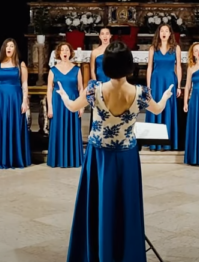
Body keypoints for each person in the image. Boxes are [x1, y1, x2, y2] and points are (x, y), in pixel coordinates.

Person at [56, 41, 173, 262]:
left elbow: (72, 106)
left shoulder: (94, 89)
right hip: (127, 156)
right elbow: (158, 109)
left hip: (99, 156)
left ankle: (98, 252)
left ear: (106, 65)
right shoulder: (141, 93)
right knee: (125, 205)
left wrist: (63, 95)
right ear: (129, 65)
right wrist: (166, 96)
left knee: (98, 204)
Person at [0, 39, 31, 168]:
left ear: (15, 49)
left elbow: (24, 84)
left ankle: (15, 158)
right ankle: (0, 158)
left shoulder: (20, 65)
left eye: (11, 46)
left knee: (15, 127)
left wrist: (24, 102)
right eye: (7, 46)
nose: (9, 48)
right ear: (3, 48)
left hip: (15, 100)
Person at [46, 42, 84, 167]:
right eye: (62, 50)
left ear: (70, 53)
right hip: (58, 103)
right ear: (59, 53)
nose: (65, 52)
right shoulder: (53, 70)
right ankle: (58, 159)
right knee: (58, 129)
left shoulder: (77, 69)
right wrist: (50, 107)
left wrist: (81, 106)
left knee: (72, 129)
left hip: (73, 101)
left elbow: (81, 88)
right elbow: (49, 90)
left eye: (67, 50)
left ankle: (72, 159)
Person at [145, 24, 181, 151]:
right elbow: (149, 67)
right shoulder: (153, 48)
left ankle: (167, 142)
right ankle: (154, 142)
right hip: (156, 82)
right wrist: (148, 86)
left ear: (170, 34)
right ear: (158, 33)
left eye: (167, 31)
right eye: (162, 31)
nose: (164, 33)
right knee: (155, 108)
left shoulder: (176, 48)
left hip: (170, 81)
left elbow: (178, 67)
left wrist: (179, 86)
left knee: (168, 109)